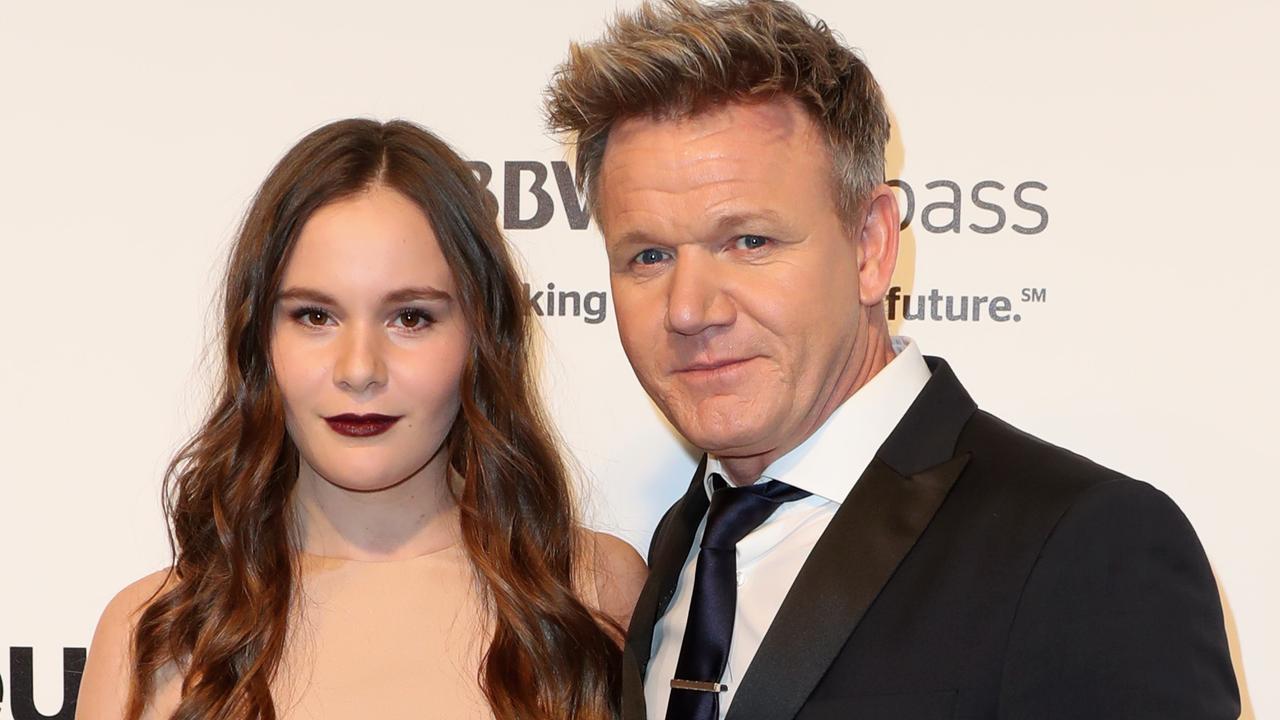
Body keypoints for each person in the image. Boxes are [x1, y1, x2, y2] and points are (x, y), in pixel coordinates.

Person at [543, 1, 1240, 718]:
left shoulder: (1088, 548)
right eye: (648, 255)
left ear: (872, 246)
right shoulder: (681, 544)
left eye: (748, 241)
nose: (690, 310)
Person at [76, 119, 646, 720]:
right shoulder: (154, 633)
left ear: (480, 337)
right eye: (315, 316)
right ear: (257, 340)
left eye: (411, 318)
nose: (359, 369)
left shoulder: (592, 589)